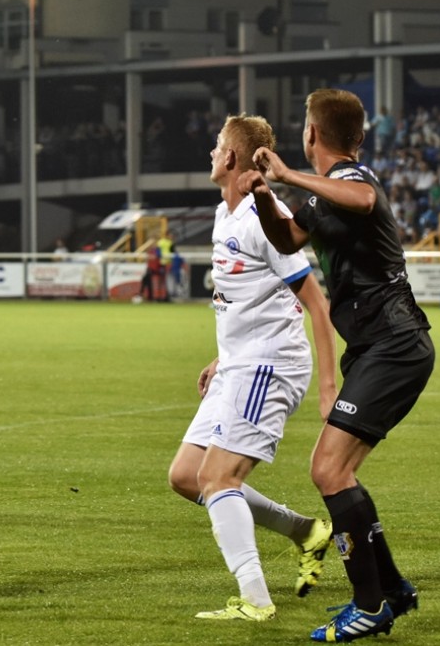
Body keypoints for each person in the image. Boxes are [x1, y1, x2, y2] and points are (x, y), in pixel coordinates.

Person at [239, 88, 432, 642]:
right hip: (380, 347)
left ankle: (369, 605)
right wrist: (264, 197)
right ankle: (390, 589)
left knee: (328, 469)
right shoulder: (324, 198)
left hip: (393, 344)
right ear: (359, 134)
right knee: (338, 471)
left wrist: (287, 176)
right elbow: (288, 238)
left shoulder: (352, 178)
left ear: (311, 135)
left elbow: (365, 200)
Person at [167, 114, 337, 622]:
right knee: (186, 476)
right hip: (240, 363)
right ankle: (305, 531)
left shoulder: (265, 217)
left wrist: (329, 386)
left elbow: (316, 303)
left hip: (269, 364)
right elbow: (250, 299)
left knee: (217, 478)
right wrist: (222, 357)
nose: (211, 152)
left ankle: (256, 599)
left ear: (231, 157)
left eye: (217, 145)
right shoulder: (226, 214)